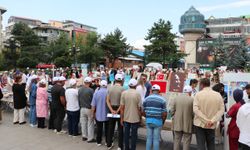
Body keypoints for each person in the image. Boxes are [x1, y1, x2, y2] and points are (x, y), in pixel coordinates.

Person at [193, 78, 224, 150]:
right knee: (211, 145)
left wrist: (206, 120)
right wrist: (212, 120)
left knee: (201, 145)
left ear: (201, 85)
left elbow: (196, 110)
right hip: (212, 125)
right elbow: (221, 110)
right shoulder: (218, 95)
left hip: (200, 124)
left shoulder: (198, 95)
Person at [143, 84, 167, 150]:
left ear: (152, 90)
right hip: (158, 121)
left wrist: (147, 116)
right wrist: (163, 121)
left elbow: (142, 111)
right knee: (156, 139)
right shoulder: (162, 100)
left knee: (149, 138)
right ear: (159, 91)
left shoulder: (146, 99)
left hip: (148, 120)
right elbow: (164, 113)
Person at [120, 79, 141, 150]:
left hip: (126, 117)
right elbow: (139, 108)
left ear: (129, 85)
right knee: (134, 135)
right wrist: (140, 117)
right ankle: (133, 148)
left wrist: (121, 118)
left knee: (126, 134)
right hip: (135, 118)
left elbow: (122, 108)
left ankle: (126, 148)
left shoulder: (124, 93)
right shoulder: (137, 94)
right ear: (136, 86)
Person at [171, 85, 194, 150]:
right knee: (186, 141)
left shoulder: (176, 98)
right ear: (190, 92)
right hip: (188, 123)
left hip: (177, 122)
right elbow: (193, 113)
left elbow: (172, 110)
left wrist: (174, 116)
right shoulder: (192, 100)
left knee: (176, 140)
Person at [106, 74, 124, 150]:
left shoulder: (110, 88)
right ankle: (120, 146)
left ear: (115, 80)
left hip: (111, 109)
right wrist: (117, 110)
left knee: (110, 127)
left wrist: (111, 110)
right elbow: (122, 103)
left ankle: (109, 144)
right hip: (119, 109)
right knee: (120, 128)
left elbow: (107, 100)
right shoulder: (123, 89)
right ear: (122, 80)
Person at [91, 80, 109, 146]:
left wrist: (93, 114)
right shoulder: (108, 92)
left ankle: (98, 141)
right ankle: (107, 141)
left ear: (100, 85)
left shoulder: (96, 93)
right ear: (106, 85)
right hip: (107, 114)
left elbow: (93, 105)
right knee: (107, 129)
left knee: (99, 128)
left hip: (98, 114)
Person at [78, 77, 95, 142]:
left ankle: (84, 136)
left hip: (82, 107)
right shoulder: (91, 90)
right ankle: (90, 138)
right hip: (89, 108)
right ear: (90, 83)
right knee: (90, 123)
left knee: (83, 123)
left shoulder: (80, 90)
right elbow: (93, 101)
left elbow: (78, 99)